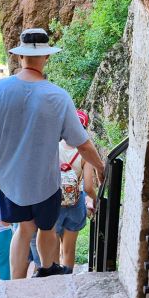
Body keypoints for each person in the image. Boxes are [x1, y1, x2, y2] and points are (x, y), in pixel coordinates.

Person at [0, 28, 106, 278]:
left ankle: (15, 281)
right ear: (47, 57)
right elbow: (82, 144)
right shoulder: (58, 96)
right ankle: (46, 270)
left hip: (10, 180)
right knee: (46, 228)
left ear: (19, 56)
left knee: (23, 229)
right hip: (44, 183)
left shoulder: (0, 89)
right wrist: (100, 166)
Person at [54, 109, 101, 270]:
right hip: (75, 203)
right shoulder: (84, 154)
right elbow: (88, 187)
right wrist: (96, 200)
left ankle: (53, 279)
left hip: (53, 203)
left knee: (52, 248)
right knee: (69, 251)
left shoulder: (54, 147)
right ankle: (67, 279)